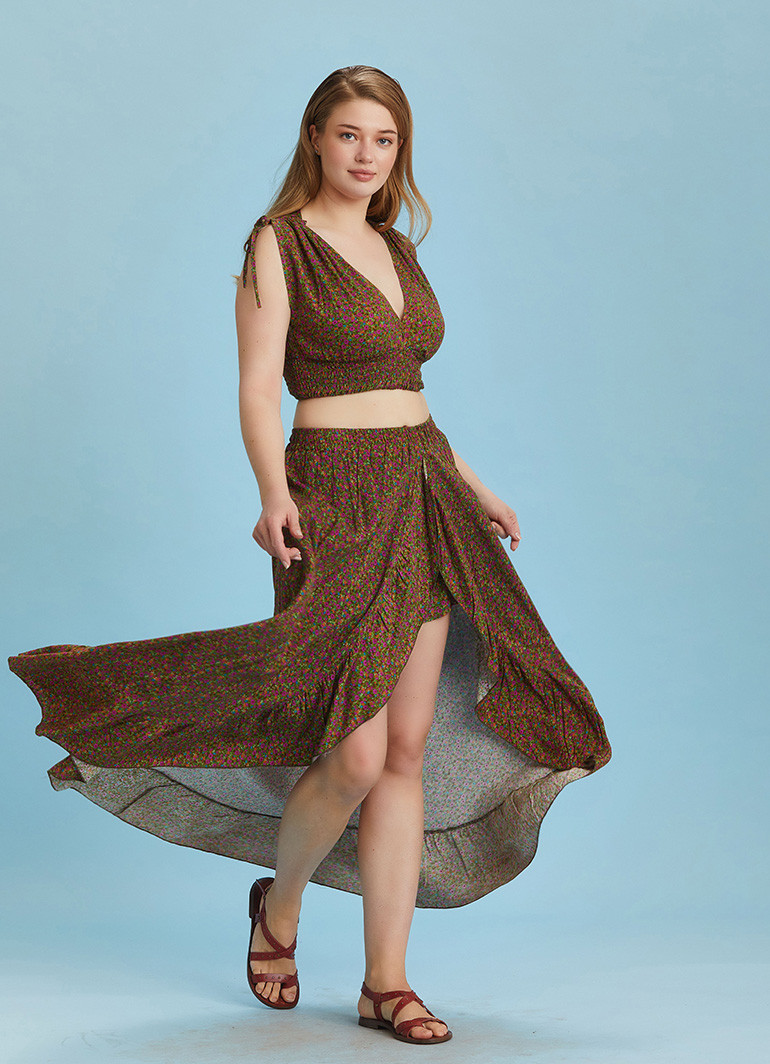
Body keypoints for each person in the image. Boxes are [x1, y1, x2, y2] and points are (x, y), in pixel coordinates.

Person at [7, 65, 611, 1045]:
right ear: (316, 139)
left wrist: (473, 484)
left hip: (423, 491)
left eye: (383, 138)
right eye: (349, 135)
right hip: (333, 493)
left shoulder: (396, 247)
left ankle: (385, 983)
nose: (366, 154)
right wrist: (273, 492)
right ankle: (278, 907)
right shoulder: (277, 242)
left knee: (405, 750)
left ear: (397, 150)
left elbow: (407, 393)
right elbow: (258, 389)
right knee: (354, 752)